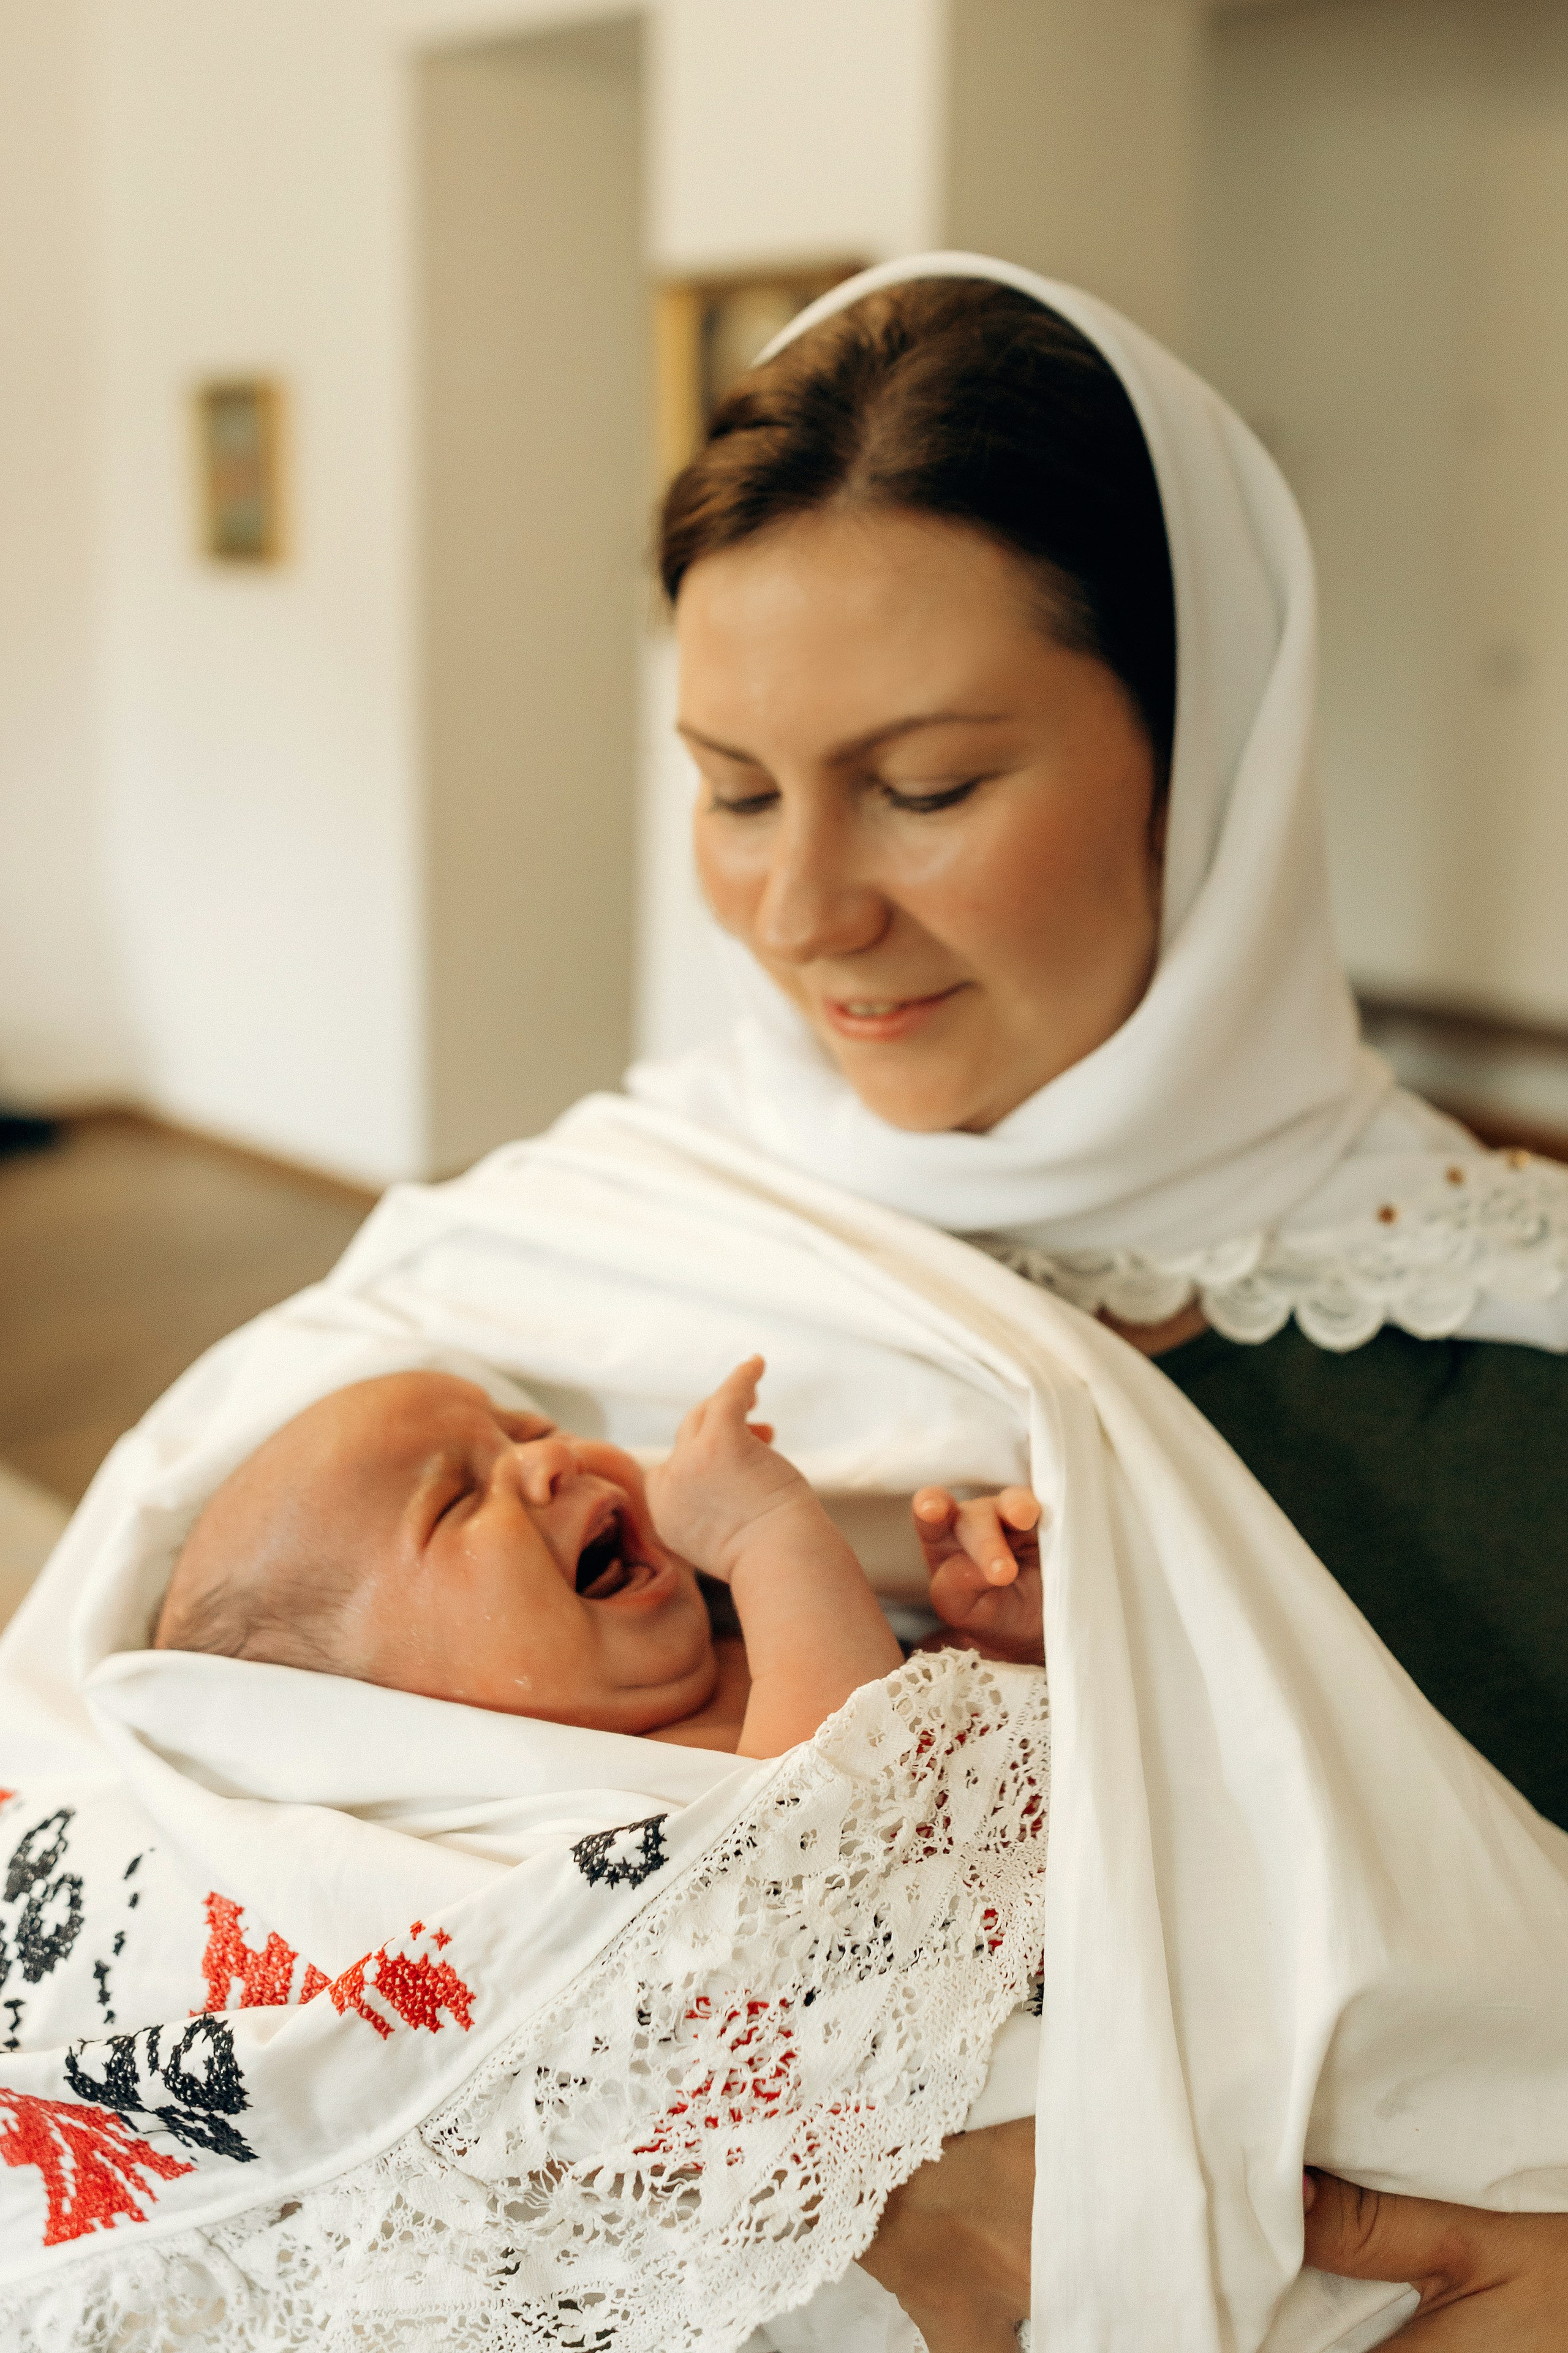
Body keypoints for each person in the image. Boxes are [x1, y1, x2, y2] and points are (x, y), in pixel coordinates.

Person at [629, 251, 1568, 2341]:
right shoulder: (589, 1245)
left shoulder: (1512, 1366)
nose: (803, 910)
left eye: (929, 789)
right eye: (735, 789)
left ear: (1206, 755)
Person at [151, 1362, 1042, 1758]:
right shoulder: (599, 1801)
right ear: (392, 1714)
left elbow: (935, 1737)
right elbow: (842, 1812)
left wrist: (995, 1643)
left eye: (526, 1430)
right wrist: (771, 1537)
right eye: (457, 1499)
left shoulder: (728, 1645)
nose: (548, 1458)